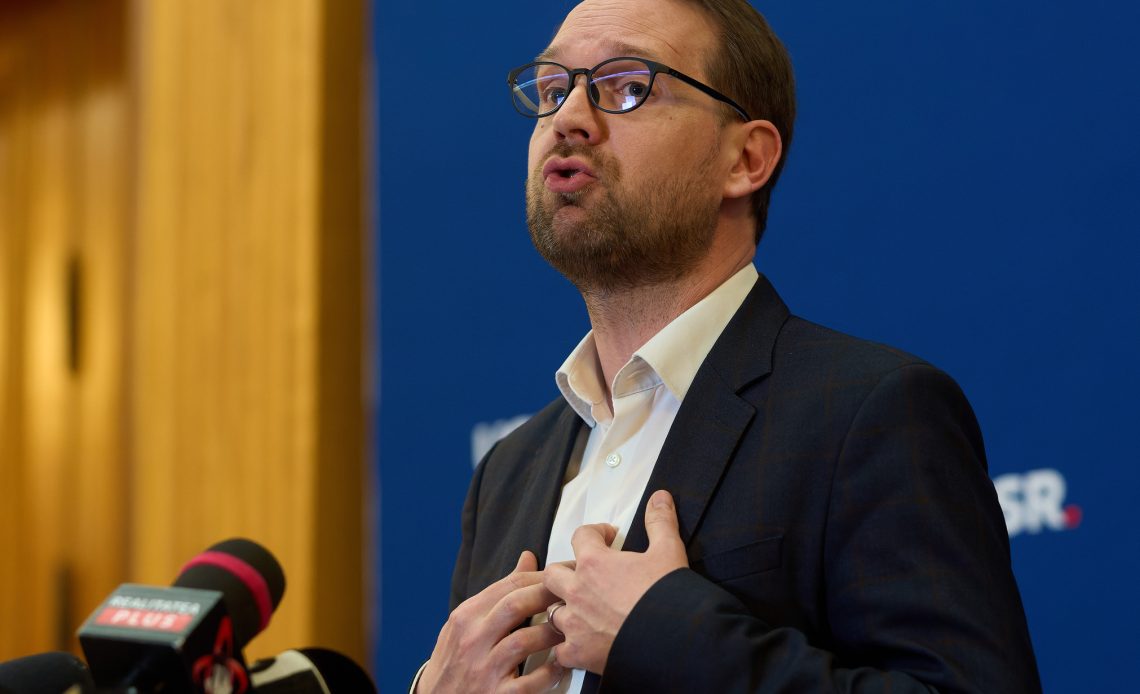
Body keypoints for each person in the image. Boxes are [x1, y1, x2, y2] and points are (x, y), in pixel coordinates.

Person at [414, 0, 1041, 691]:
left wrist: (669, 635)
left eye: (628, 86)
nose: (568, 118)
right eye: (553, 88)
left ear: (745, 158)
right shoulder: (507, 472)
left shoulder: (872, 413)